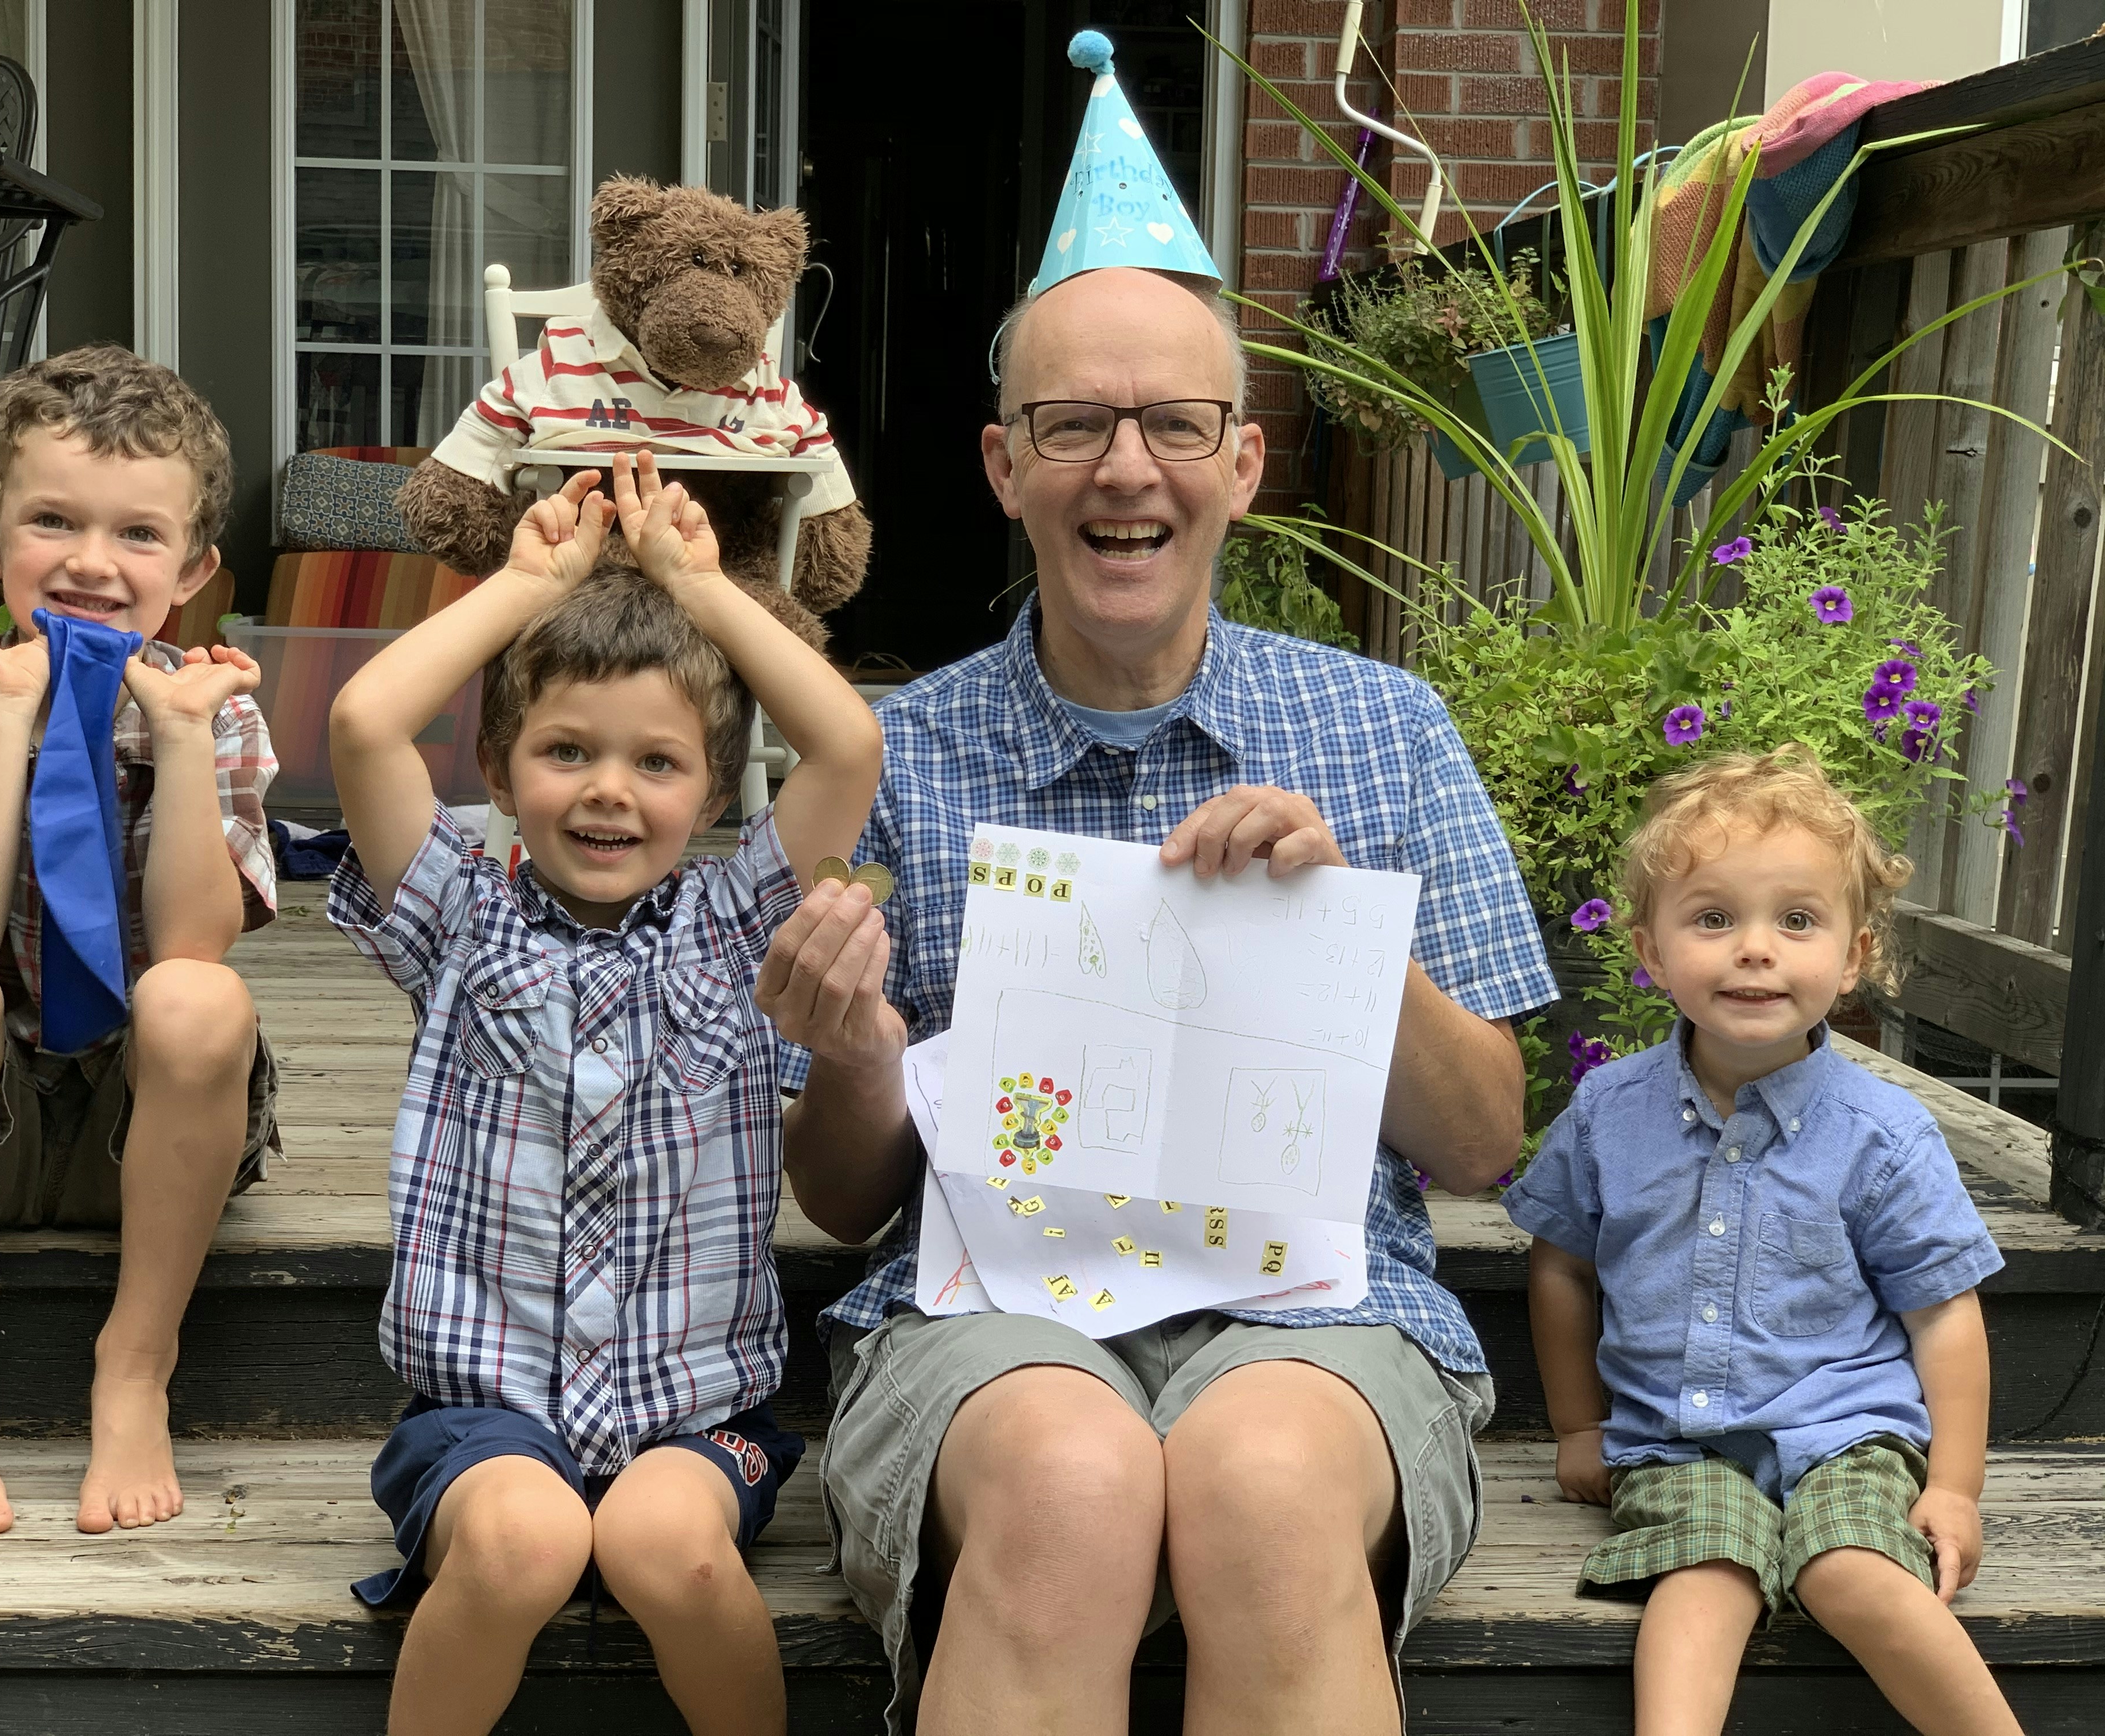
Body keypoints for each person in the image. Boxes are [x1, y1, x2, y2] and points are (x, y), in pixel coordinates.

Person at [757, 264, 1556, 1735]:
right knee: (1072, 1483)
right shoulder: (884, 757)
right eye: (1072, 425)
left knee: (1263, 1489)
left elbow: (1486, 1141)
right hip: (986, 1303)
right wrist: (858, 1053)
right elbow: (841, 1198)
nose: (1128, 468)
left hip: (1319, 1309)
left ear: (1242, 466)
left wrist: (1343, 942)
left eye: (1178, 425)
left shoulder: (1386, 727)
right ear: (1006, 467)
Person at [326, 451, 882, 1736]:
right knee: (523, 1543)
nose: (609, 791)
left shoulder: (742, 924)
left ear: (716, 784)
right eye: (566, 751)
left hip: (693, 1420)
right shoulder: (457, 920)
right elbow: (363, 725)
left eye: (659, 763)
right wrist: (528, 584)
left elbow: (847, 741)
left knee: (667, 1551)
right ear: (502, 767)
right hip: (482, 1420)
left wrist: (701, 583)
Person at [1504, 747, 2019, 1736]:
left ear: (1854, 954)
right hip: (1672, 1440)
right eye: (1712, 918)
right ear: (1651, 954)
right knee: (1701, 1576)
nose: (1755, 949)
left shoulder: (1884, 1133)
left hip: (1846, 1430)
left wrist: (1954, 1485)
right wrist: (1578, 1424)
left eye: (1797, 919)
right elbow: (1563, 1262)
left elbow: (1944, 1314)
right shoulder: (1609, 1113)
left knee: (1852, 1571)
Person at [0, 346, 281, 1537]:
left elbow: (201, 942)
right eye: (53, 522)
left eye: (140, 536)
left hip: (144, 1132)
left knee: (199, 1000)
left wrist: (184, 743)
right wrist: (4, 714)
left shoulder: (216, 708)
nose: (95, 564)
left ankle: (135, 1368)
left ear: (194, 568)